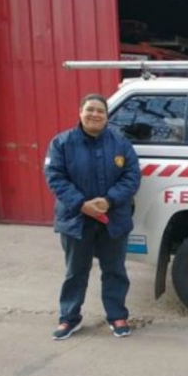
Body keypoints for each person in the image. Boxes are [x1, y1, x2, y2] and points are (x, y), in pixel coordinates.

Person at [44, 94, 142, 340]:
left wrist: (109, 200)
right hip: (76, 219)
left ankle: (117, 315)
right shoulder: (62, 143)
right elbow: (55, 176)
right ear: (80, 112)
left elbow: (132, 176)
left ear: (107, 116)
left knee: (115, 270)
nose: (95, 114)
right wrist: (80, 204)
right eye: (90, 110)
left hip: (113, 218)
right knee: (75, 272)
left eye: (100, 111)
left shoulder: (121, 144)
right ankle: (69, 319)